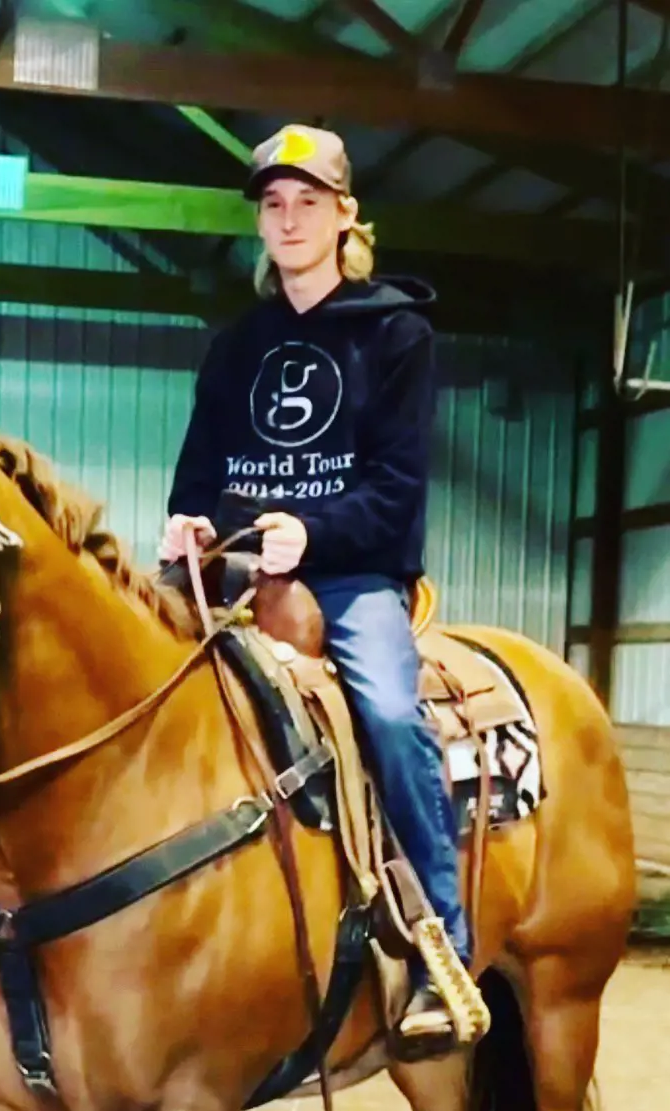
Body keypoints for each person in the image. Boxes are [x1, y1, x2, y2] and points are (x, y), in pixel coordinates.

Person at [159, 123, 471, 1048]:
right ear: (259, 222)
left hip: (351, 575)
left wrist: (314, 530)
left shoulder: (396, 334)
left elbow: (396, 491)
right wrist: (192, 521)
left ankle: (436, 942)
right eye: (272, 204)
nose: (288, 218)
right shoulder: (236, 346)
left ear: (344, 216)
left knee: (385, 710)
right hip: (237, 571)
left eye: (307, 202)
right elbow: (195, 476)